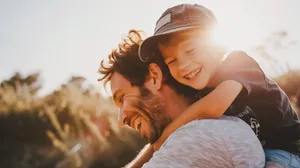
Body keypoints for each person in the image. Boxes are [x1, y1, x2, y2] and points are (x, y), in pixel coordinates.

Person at [138, 3, 300, 167]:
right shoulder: (195, 91)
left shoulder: (239, 63)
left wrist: (165, 137)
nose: (183, 65)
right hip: (250, 156)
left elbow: (212, 107)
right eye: (172, 61)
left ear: (215, 45)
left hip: (285, 151)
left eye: (190, 51)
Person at [98, 30, 265, 167]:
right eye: (172, 61)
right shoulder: (218, 126)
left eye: (121, 98)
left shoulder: (197, 139)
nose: (121, 120)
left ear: (155, 76)